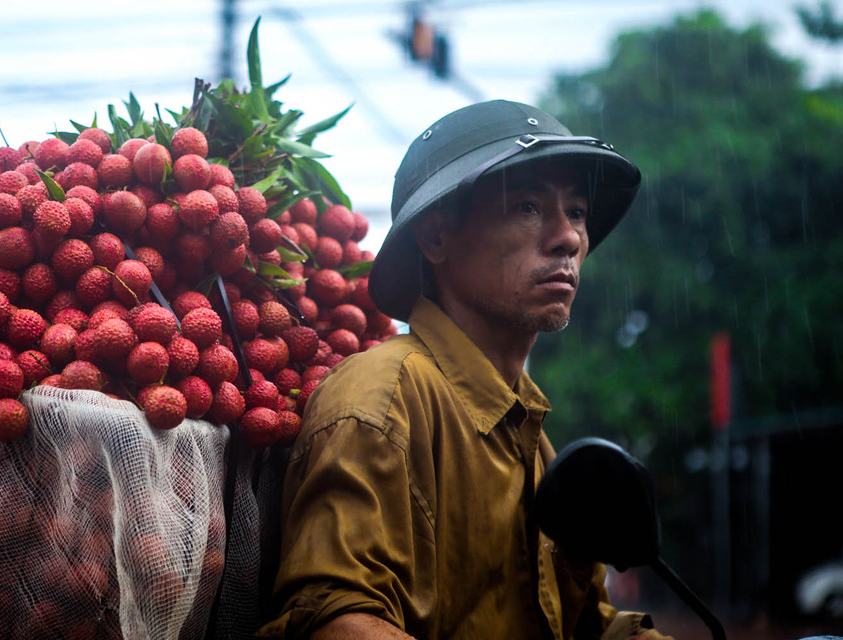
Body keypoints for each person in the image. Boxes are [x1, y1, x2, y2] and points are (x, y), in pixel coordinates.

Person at [256, 100, 672, 639]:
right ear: (435, 238)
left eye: (576, 212)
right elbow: (339, 623)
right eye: (527, 206)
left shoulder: (531, 434)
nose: (567, 236)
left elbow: (589, 626)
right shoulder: (382, 400)